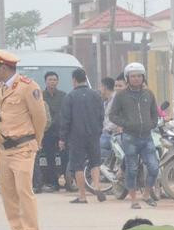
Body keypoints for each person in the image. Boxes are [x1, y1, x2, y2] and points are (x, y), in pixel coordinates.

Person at [0, 48, 47, 230]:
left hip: (23, 147)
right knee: (8, 193)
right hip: (3, 148)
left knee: (24, 192)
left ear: (3, 67)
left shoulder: (27, 87)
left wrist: (36, 141)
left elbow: (40, 117)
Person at [109, 61, 160, 209]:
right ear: (127, 78)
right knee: (131, 169)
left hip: (147, 137)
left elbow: (154, 113)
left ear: (143, 77)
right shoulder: (121, 95)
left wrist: (152, 124)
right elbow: (112, 115)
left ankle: (146, 195)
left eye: (139, 76)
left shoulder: (149, 94)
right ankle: (133, 200)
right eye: (133, 76)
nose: (136, 79)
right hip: (129, 137)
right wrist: (126, 123)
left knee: (154, 168)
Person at [62, 68, 106, 203]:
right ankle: (97, 185)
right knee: (95, 162)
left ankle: (82, 195)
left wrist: (63, 137)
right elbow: (101, 115)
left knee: (78, 165)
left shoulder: (70, 97)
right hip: (94, 134)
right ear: (85, 78)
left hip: (76, 136)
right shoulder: (96, 95)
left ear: (74, 80)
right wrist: (98, 130)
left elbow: (66, 119)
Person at [37, 72, 67, 192]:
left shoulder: (63, 95)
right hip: (47, 131)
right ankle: (53, 183)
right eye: (50, 80)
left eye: (54, 80)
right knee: (50, 158)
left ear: (58, 81)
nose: (52, 82)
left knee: (64, 156)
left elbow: (65, 112)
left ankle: (67, 180)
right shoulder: (41, 96)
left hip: (61, 131)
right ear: (45, 81)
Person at [99, 77, 119, 159]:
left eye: (100, 86)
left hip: (112, 135)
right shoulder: (106, 102)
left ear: (104, 87)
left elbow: (116, 119)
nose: (99, 89)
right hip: (106, 134)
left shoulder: (116, 100)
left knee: (93, 149)